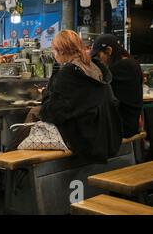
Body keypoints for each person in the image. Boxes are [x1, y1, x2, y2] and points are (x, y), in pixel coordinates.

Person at [39, 30, 123, 162]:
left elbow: (51, 114)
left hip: (86, 141)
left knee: (32, 121)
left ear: (61, 51)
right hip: (106, 135)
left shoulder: (69, 73)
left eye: (54, 50)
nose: (53, 54)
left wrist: (45, 93)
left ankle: (11, 173)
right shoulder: (94, 66)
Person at [90, 34, 143, 138]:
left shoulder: (120, 68)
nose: (100, 61)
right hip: (131, 123)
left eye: (99, 56)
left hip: (122, 127)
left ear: (109, 51)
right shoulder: (133, 63)